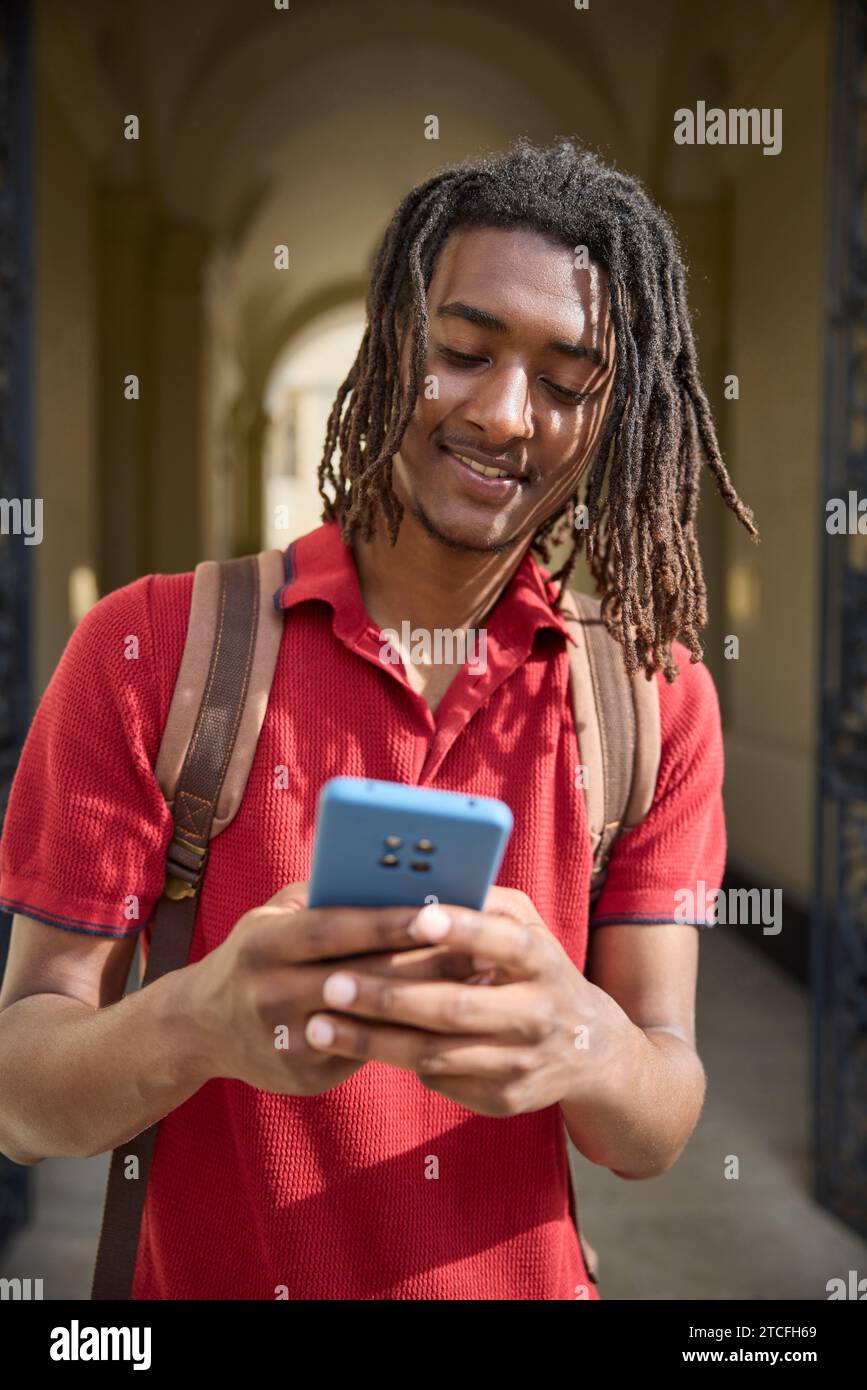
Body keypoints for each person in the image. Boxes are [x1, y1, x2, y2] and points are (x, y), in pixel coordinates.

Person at [0, 137, 757, 1300]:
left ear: (616, 412)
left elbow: (649, 1127)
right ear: (392, 336)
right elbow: (21, 1096)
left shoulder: (649, 695)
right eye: (462, 350)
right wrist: (202, 1017)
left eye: (566, 383)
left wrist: (581, 1036)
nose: (506, 417)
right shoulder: (153, 654)